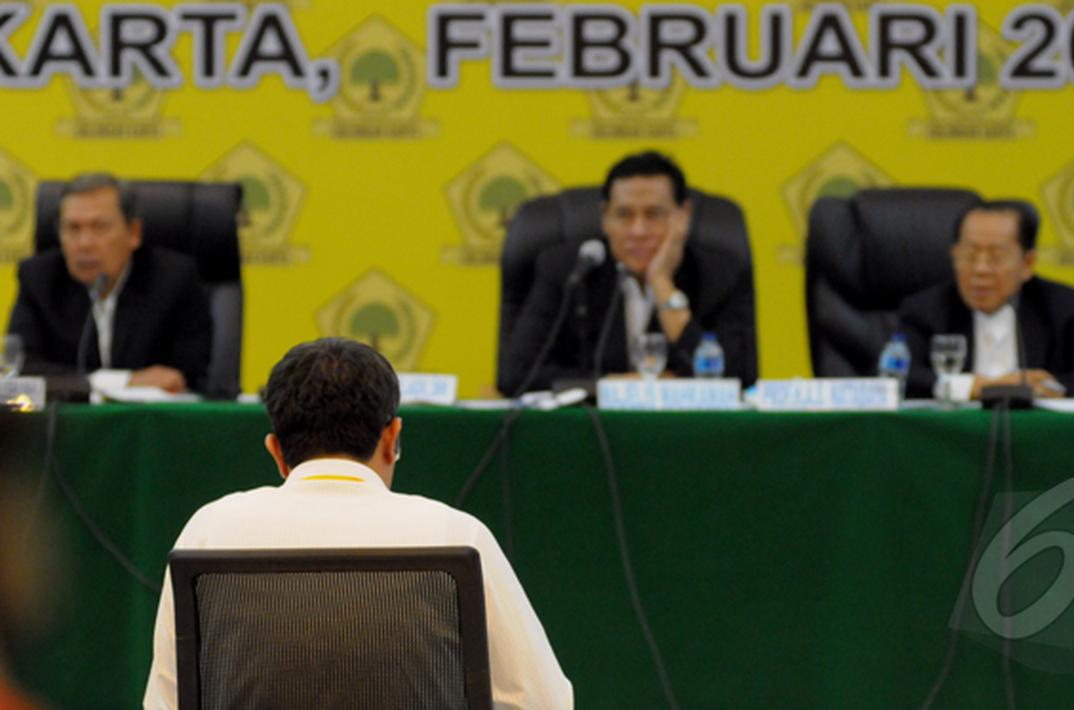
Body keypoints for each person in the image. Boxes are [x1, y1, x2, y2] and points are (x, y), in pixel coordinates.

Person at [143, 338, 572, 710]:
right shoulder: (456, 534)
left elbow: (168, 700)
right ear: (392, 438)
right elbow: (541, 700)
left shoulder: (211, 530)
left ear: (276, 452)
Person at [498, 150, 757, 394]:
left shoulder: (718, 274)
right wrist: (618, 387)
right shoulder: (571, 270)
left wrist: (661, 282)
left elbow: (737, 377)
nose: (638, 232)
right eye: (624, 215)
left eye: (654, 214)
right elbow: (516, 376)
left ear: (682, 216)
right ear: (605, 217)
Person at [897, 200, 1074, 401]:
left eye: (996, 257)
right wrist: (974, 387)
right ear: (954, 254)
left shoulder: (1063, 306)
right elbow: (897, 375)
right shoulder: (925, 309)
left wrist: (1045, 388)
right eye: (969, 255)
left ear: (1027, 263)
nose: (981, 269)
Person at [6, 173, 211, 393]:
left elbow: (186, 374)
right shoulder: (39, 279)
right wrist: (120, 381)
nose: (84, 243)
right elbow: (21, 370)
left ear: (134, 233)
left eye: (99, 227)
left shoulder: (174, 280)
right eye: (73, 228)